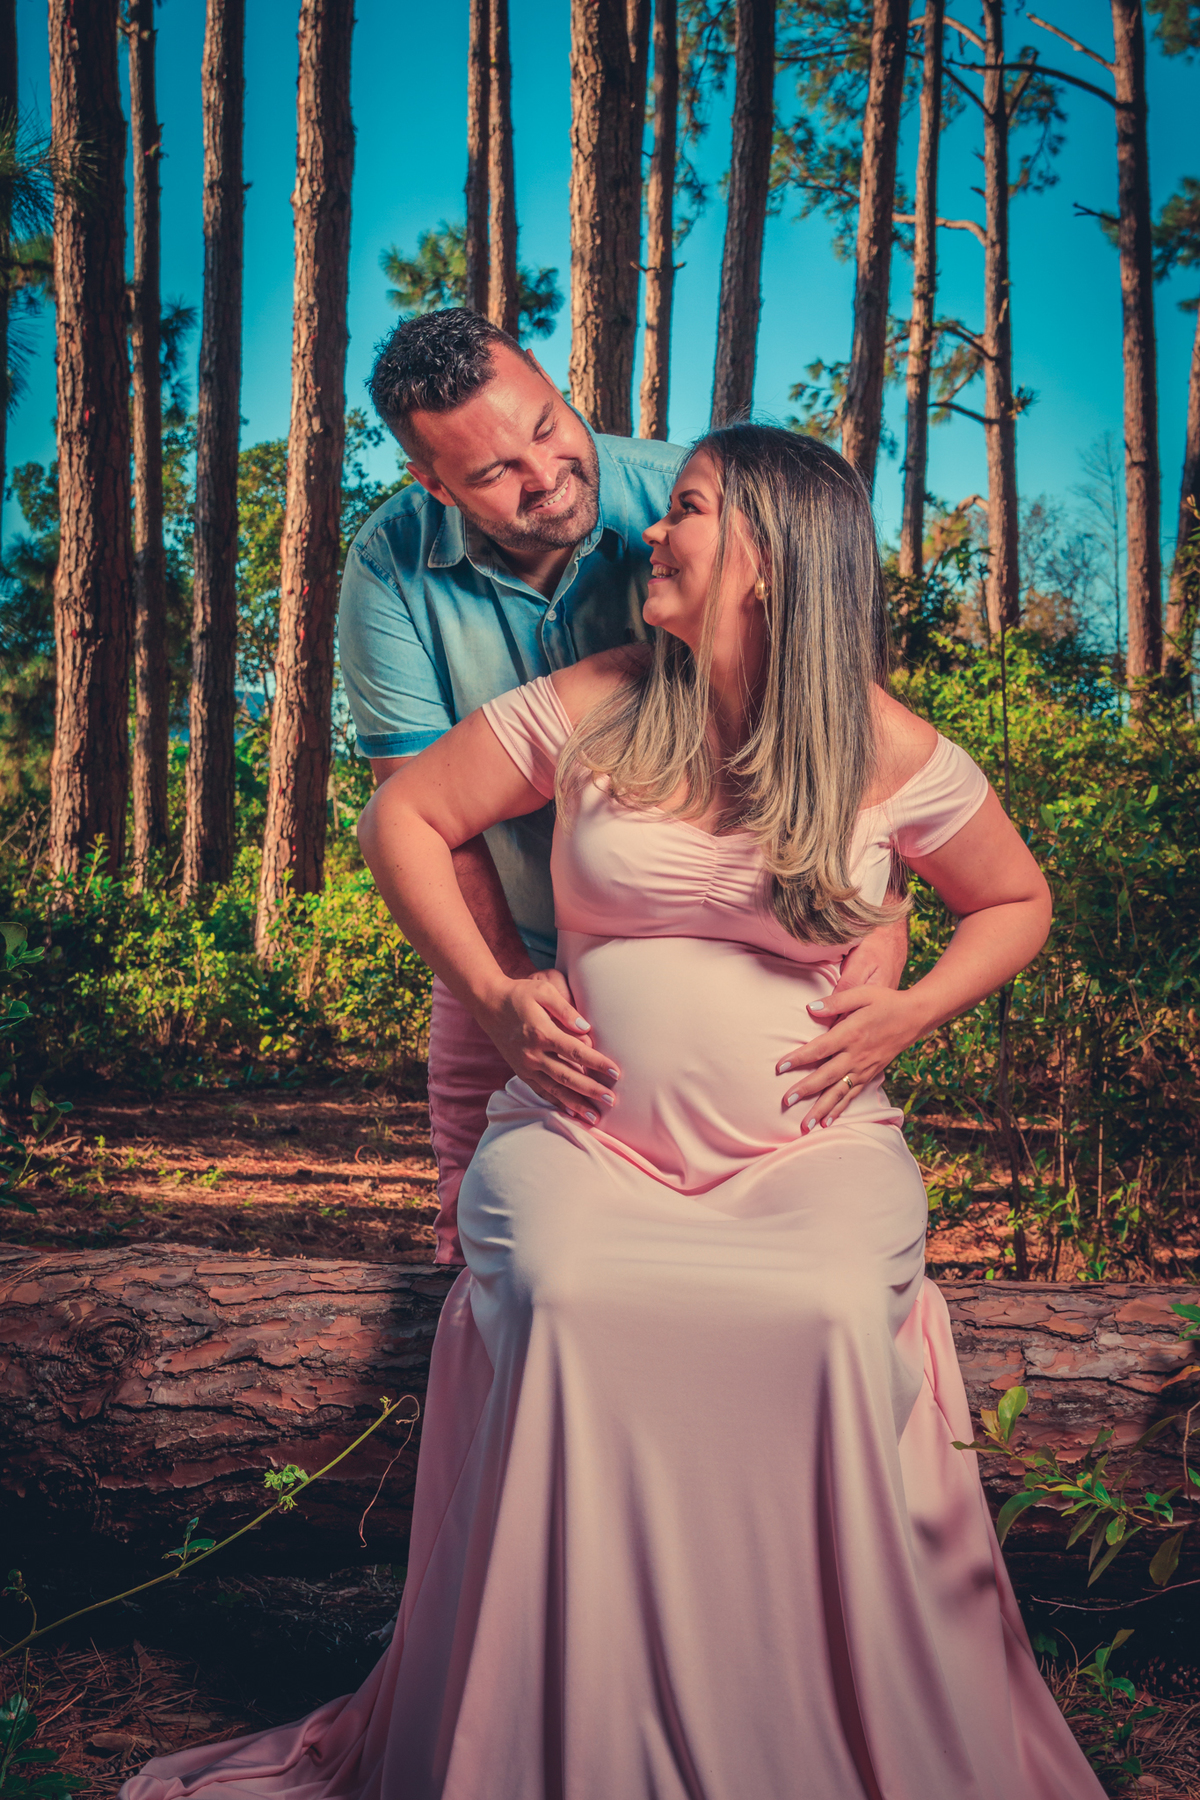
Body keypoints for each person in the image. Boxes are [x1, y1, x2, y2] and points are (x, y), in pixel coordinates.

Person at [123, 425, 1105, 1799]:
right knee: (571, 1297)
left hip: (808, 1153)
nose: (655, 530)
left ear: (766, 560)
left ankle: (788, 1718)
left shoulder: (879, 746)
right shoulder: (600, 702)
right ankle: (568, 1728)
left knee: (827, 1310)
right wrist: (498, 986)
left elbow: (1016, 899)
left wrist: (910, 1006)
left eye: (690, 512)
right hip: (585, 1143)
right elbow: (407, 815)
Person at [336, 309, 907, 1265]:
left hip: (744, 932)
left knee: (780, 1268)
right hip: (509, 939)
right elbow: (423, 816)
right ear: (433, 485)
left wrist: (878, 926)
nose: (547, 474)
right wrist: (502, 991)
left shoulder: (692, 500)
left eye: (549, 425)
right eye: (492, 474)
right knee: (482, 1245)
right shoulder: (385, 571)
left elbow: (831, 717)